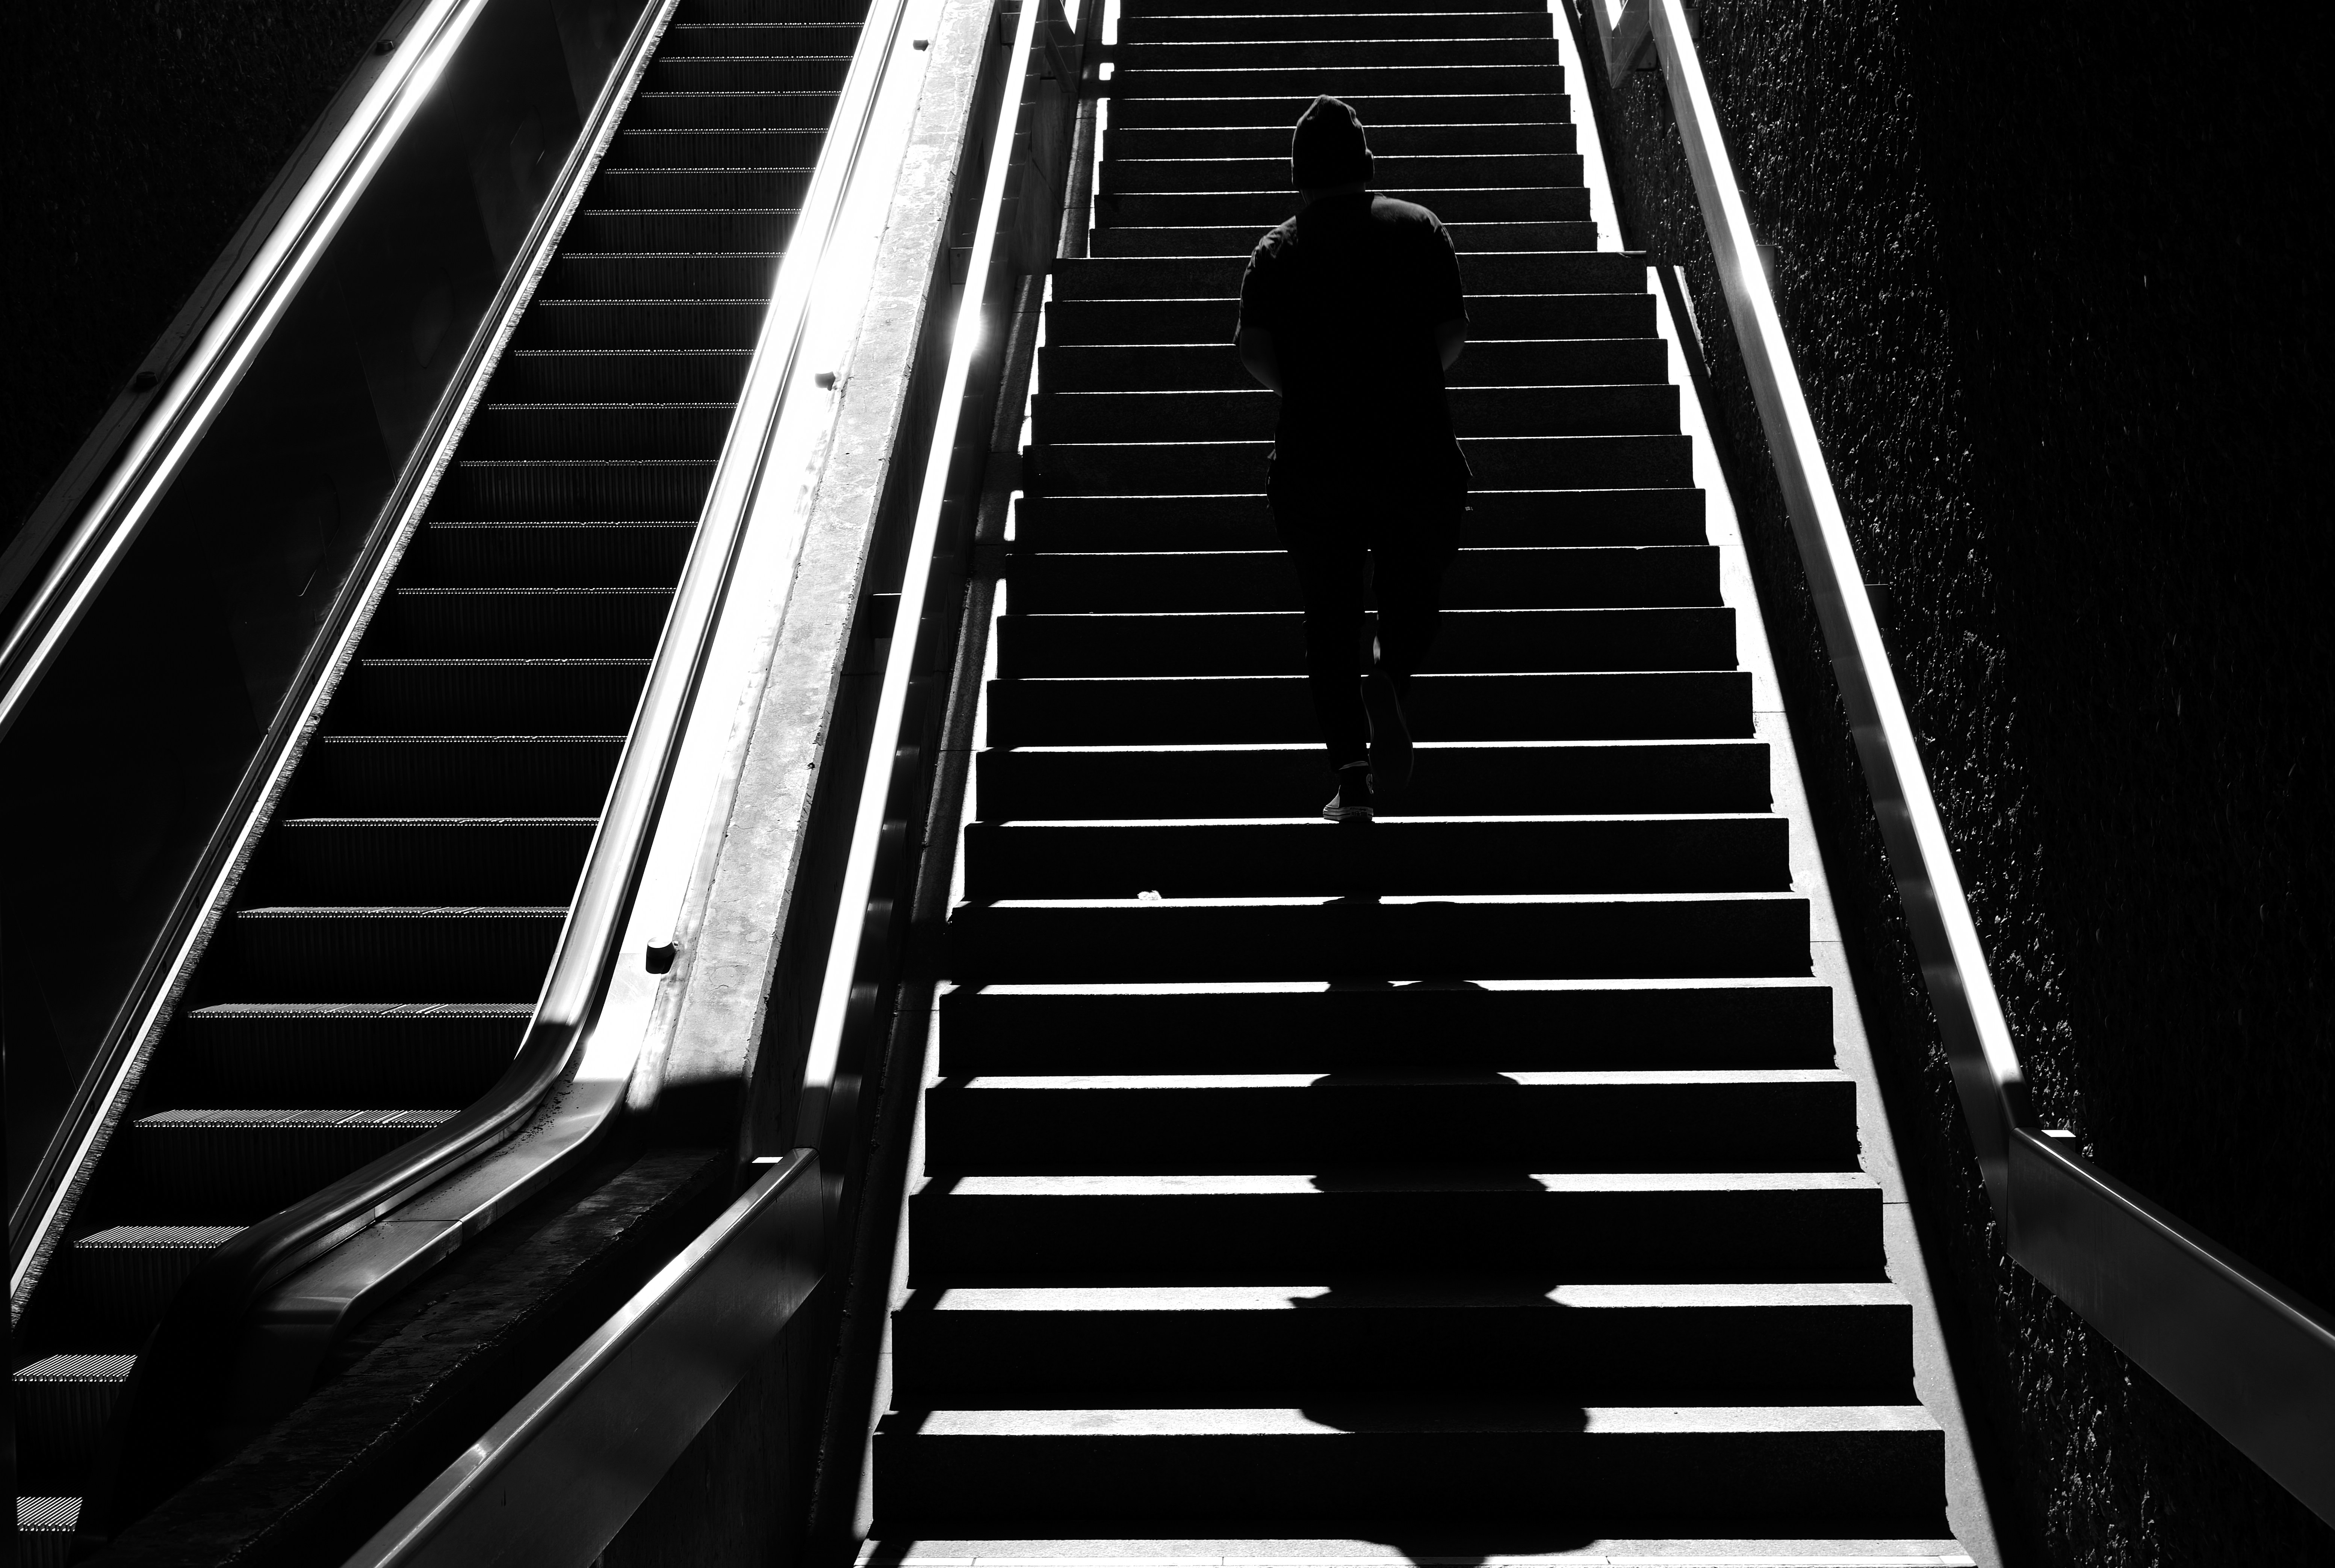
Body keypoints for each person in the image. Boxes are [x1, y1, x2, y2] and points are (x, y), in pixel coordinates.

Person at [1235, 95, 1469, 823]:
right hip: (1413, 448)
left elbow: (1251, 347)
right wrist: (1406, 381)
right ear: (1365, 163)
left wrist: (1304, 387)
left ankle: (1352, 779)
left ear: (1298, 176)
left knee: (1328, 613)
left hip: (1316, 458)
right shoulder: (1418, 227)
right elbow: (1452, 334)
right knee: (1414, 586)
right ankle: (1389, 674)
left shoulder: (1277, 250)